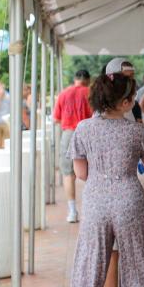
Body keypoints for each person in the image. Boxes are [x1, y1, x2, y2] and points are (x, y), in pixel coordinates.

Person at [64, 69, 144, 287]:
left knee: (89, 266)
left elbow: (80, 173)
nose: (133, 101)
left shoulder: (83, 129)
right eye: (131, 97)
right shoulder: (136, 130)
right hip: (129, 197)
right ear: (122, 102)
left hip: (95, 200)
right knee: (137, 264)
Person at [53, 69, 93, 223]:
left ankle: (72, 211)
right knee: (93, 171)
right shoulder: (90, 92)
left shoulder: (63, 94)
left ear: (75, 78)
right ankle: (91, 209)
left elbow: (56, 118)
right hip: (88, 132)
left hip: (69, 133)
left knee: (68, 173)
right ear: (87, 80)